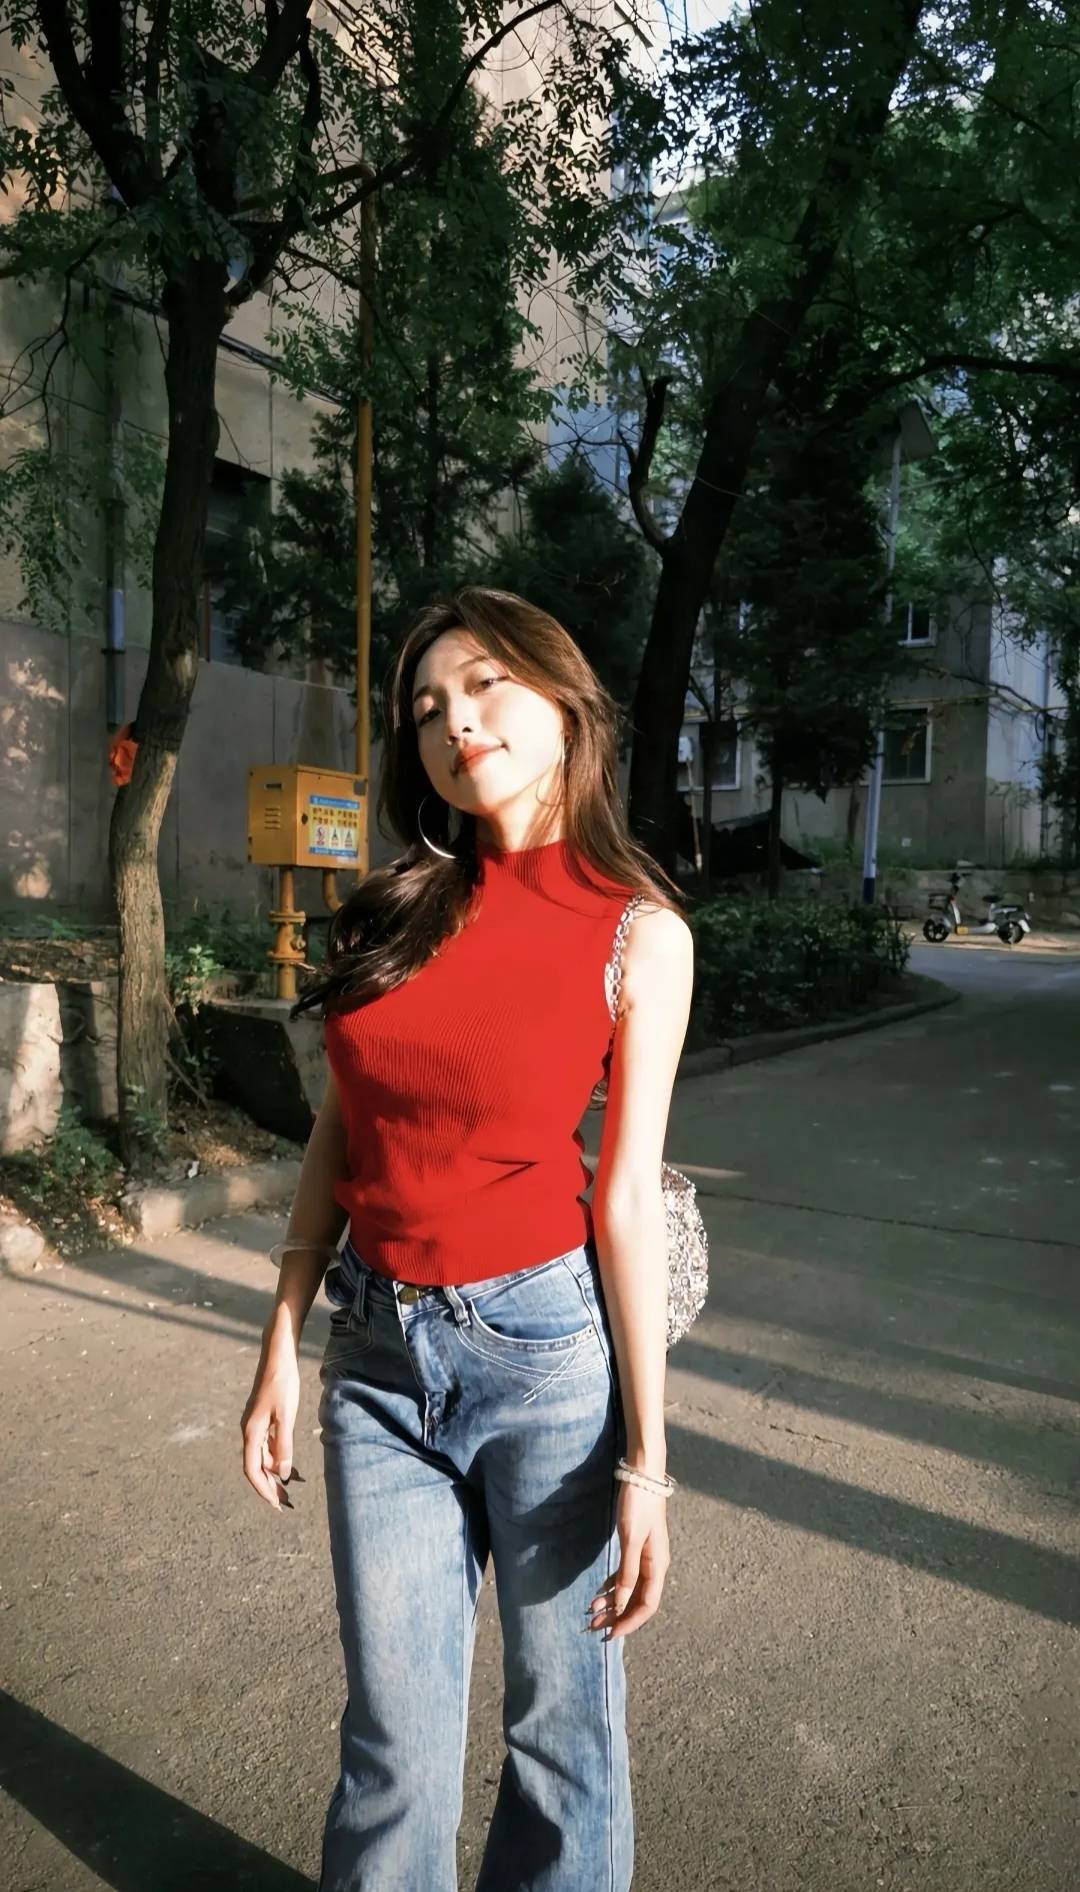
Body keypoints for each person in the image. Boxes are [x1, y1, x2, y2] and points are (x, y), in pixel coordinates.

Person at [240, 586, 695, 1891]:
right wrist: (281, 1342)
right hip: (375, 1360)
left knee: (562, 1742)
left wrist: (648, 1463)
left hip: (543, 1357)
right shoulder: (398, 911)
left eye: (487, 682)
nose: (456, 720)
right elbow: (344, 1132)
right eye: (428, 705)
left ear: (565, 704)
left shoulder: (637, 932)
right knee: (391, 1743)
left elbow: (623, 1200)